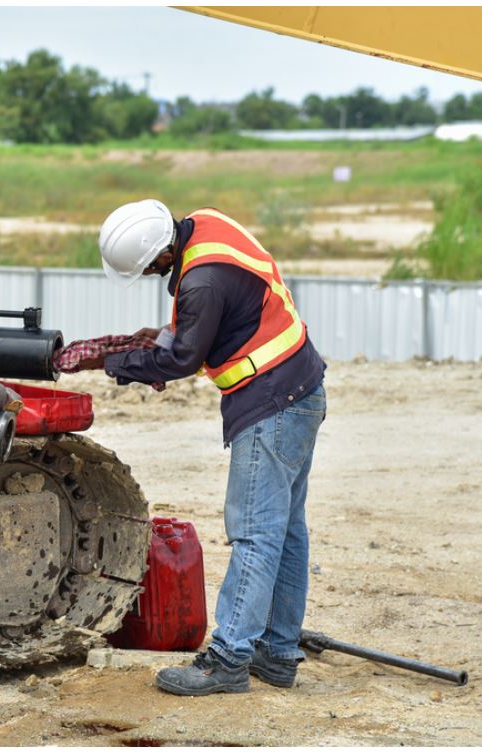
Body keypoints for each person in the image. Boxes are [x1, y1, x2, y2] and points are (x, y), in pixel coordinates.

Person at [87, 199, 326, 696]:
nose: (152, 275)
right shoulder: (207, 226)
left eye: (147, 269)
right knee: (285, 531)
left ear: (156, 257)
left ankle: (229, 658)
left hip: (270, 402)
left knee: (255, 533)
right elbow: (224, 315)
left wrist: (117, 363)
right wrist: (167, 336)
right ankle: (278, 652)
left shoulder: (199, 282)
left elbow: (180, 359)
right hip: (299, 390)